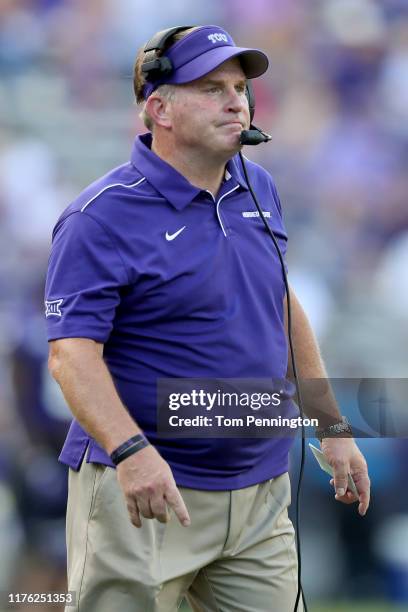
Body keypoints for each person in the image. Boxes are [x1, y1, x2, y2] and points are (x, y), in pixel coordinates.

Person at [45, 25, 370, 612]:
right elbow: (71, 355)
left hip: (259, 492)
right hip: (143, 494)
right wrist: (132, 452)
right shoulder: (99, 217)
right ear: (159, 108)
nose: (236, 101)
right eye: (211, 86)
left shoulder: (259, 186)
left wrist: (333, 427)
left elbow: (280, 302)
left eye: (240, 87)